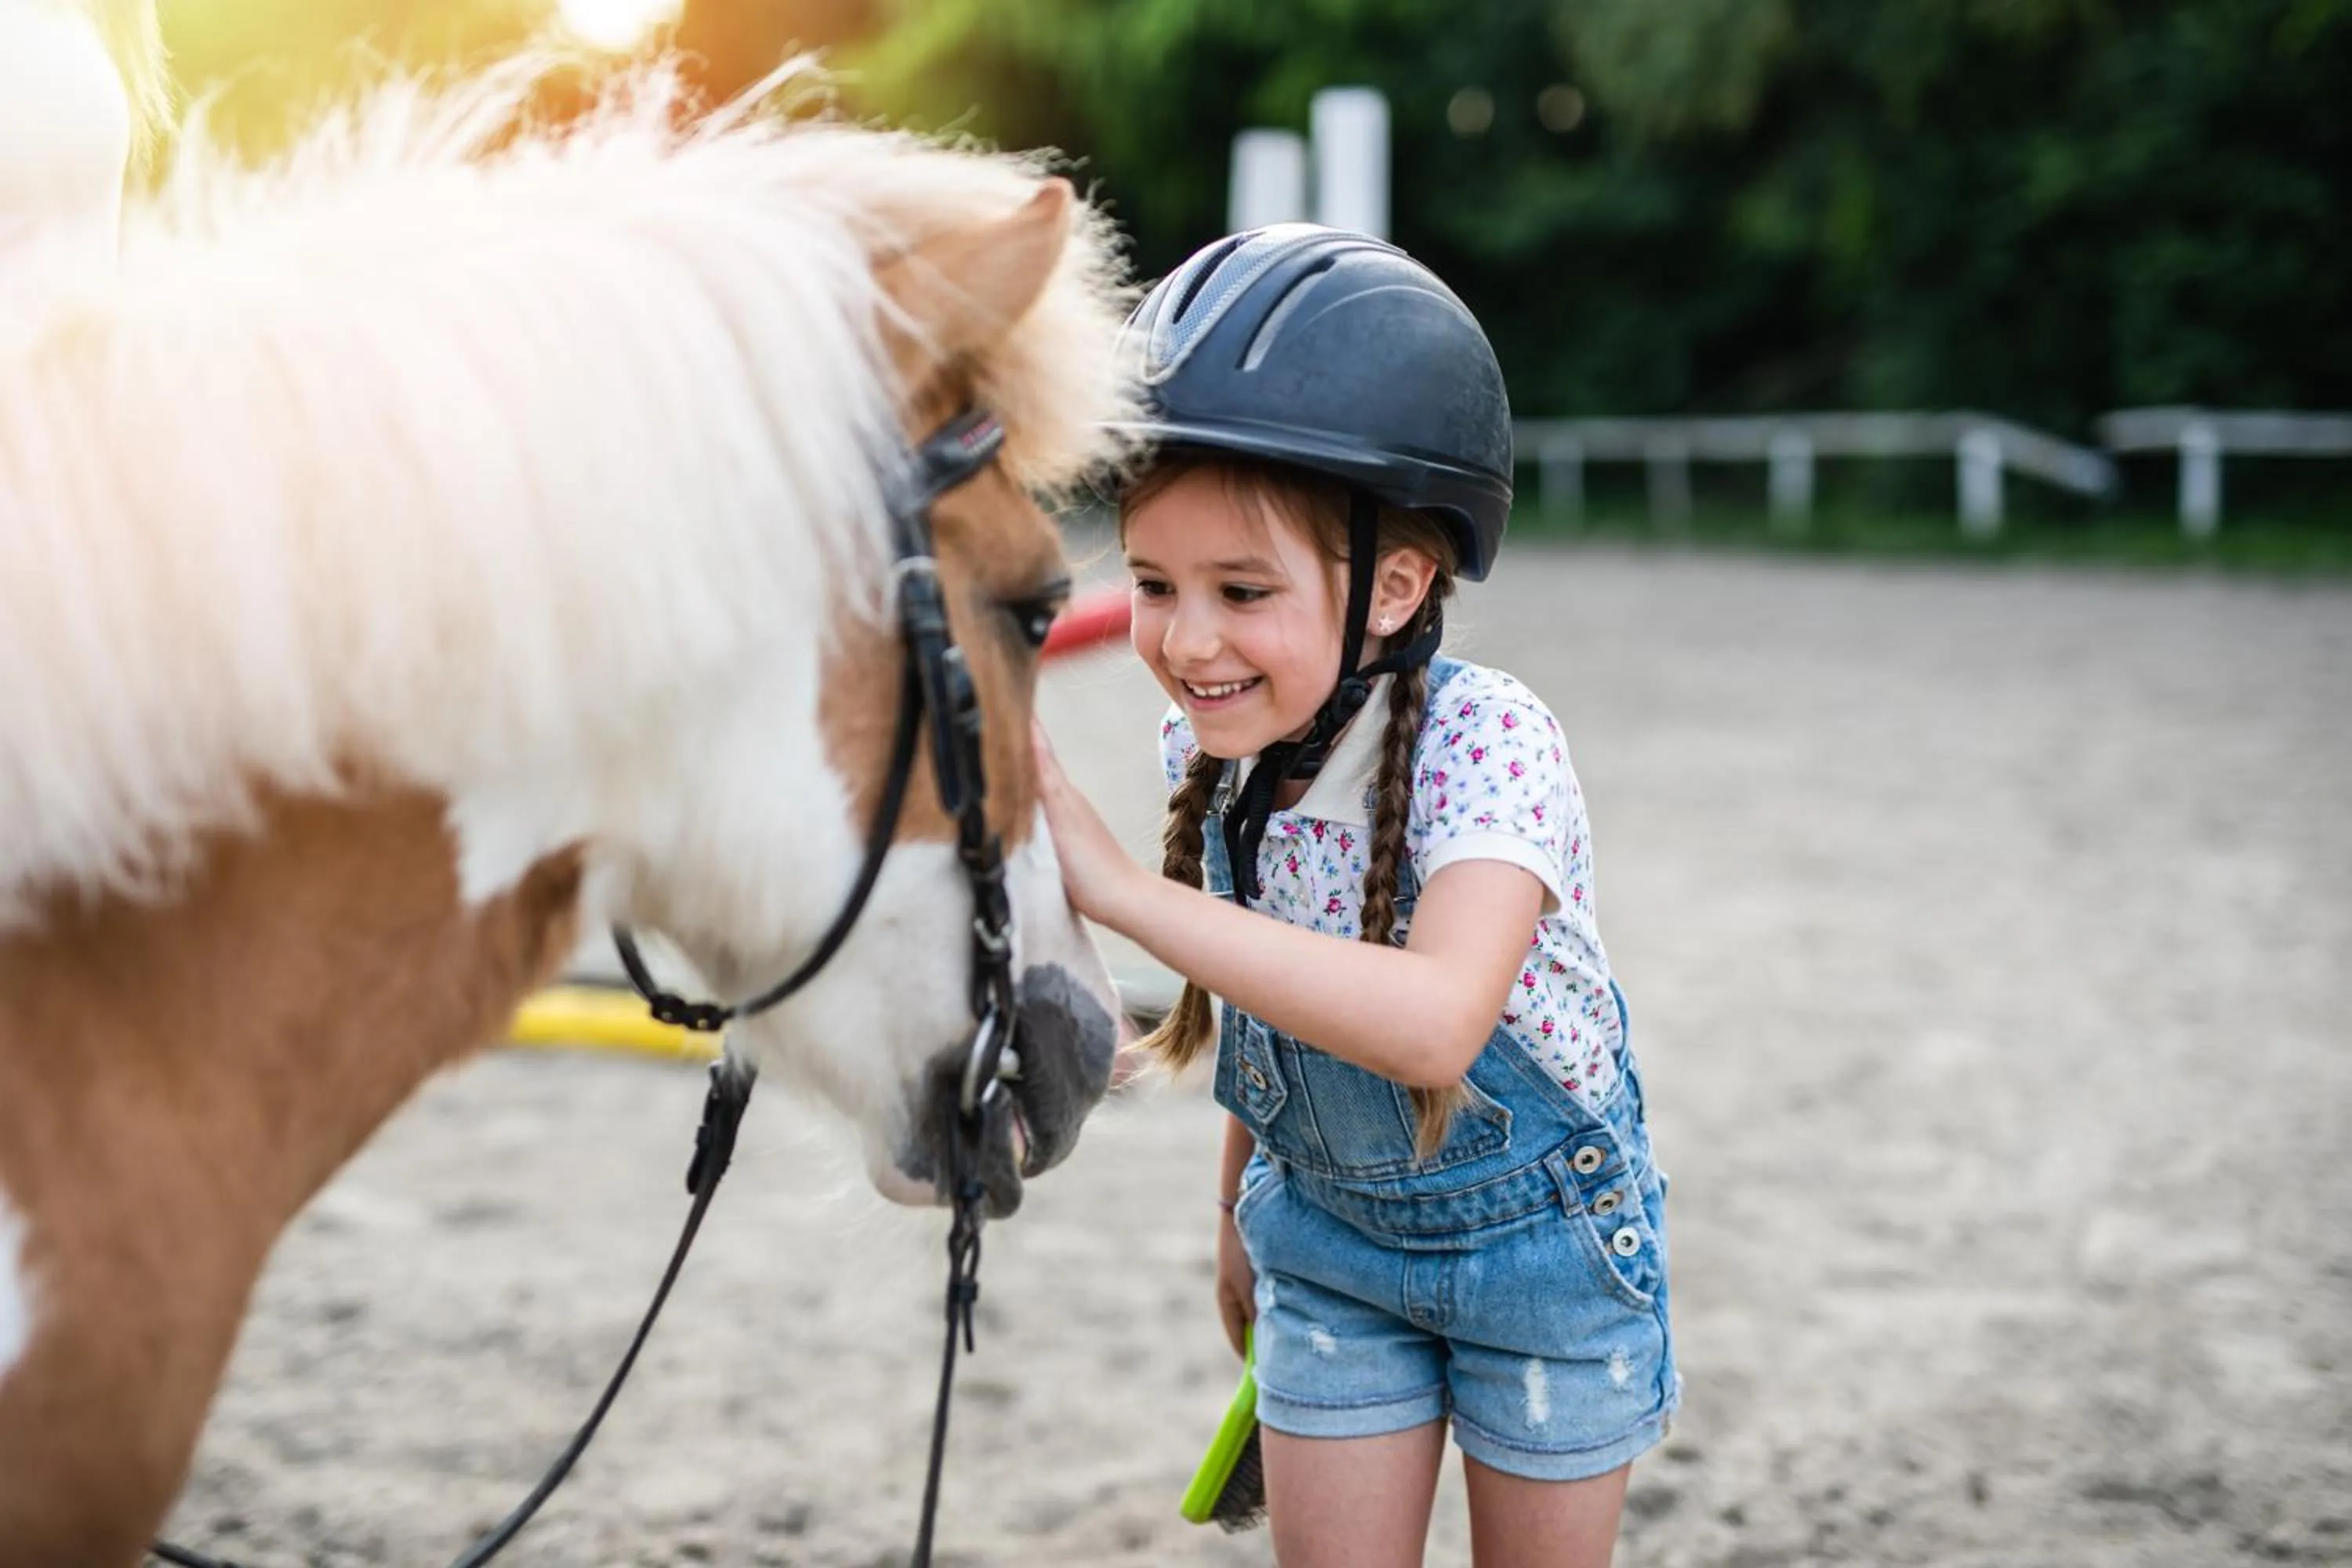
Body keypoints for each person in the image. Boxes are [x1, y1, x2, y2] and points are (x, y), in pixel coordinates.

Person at [1032, 225, 1678, 1568]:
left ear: (1396, 584)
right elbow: (1268, 1003)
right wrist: (1237, 1215)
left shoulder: (1491, 746)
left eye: (1242, 591)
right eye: (1153, 585)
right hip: (1323, 1243)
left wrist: (1114, 891)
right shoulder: (1215, 751)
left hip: (1544, 1259)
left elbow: (1437, 1022)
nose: (1187, 640)